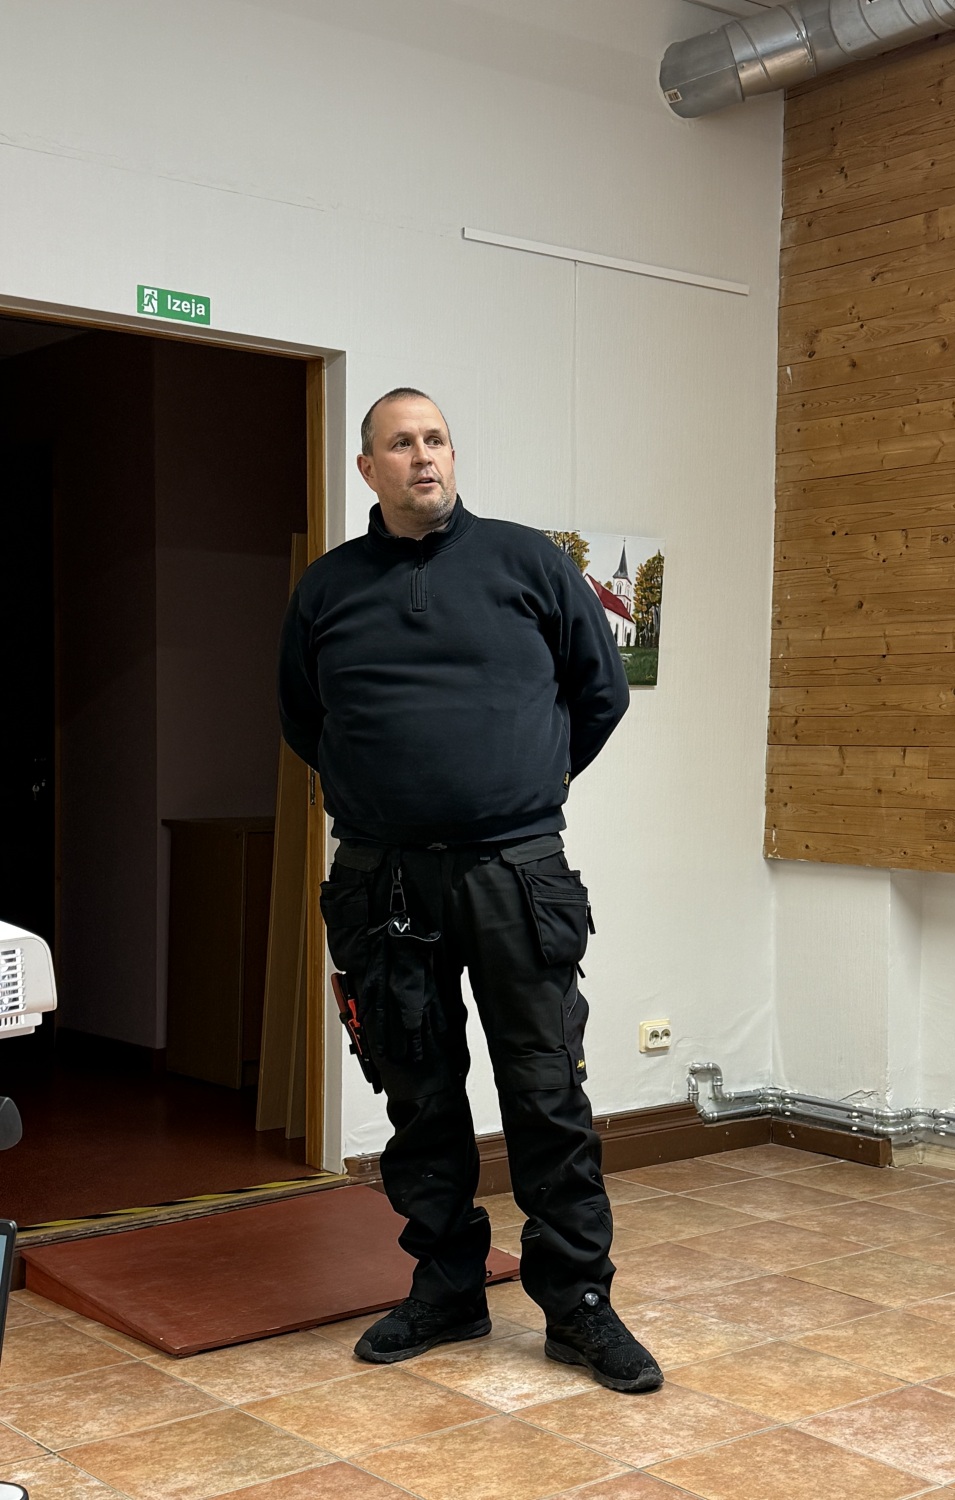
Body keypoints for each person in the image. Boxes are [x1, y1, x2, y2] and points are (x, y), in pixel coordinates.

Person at [277, 388, 663, 1394]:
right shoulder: (327, 588)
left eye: (436, 439)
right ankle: (447, 1289)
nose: (424, 457)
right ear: (368, 468)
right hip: (382, 881)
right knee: (417, 1093)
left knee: (546, 1091)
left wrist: (522, 785)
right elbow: (303, 720)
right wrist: (390, 793)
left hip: (515, 875)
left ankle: (578, 1307)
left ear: (453, 454)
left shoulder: (529, 564)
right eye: (401, 443)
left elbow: (600, 693)